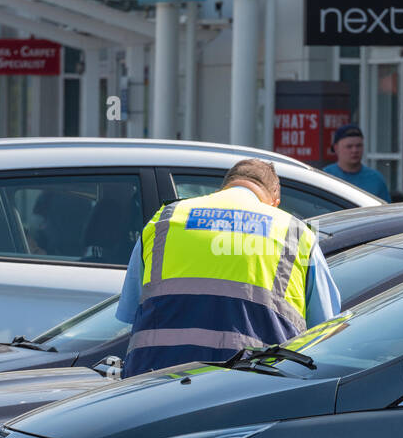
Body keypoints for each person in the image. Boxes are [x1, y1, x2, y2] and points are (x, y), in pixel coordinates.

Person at [116, 157, 342, 378]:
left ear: (224, 187)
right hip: (250, 385)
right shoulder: (295, 232)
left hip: (155, 379)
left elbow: (129, 312)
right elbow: (324, 328)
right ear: (275, 199)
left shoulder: (166, 218)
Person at [322, 124, 391, 201]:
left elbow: (385, 210)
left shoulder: (376, 179)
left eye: (359, 146)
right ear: (336, 148)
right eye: (349, 146)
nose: (354, 150)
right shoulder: (326, 177)